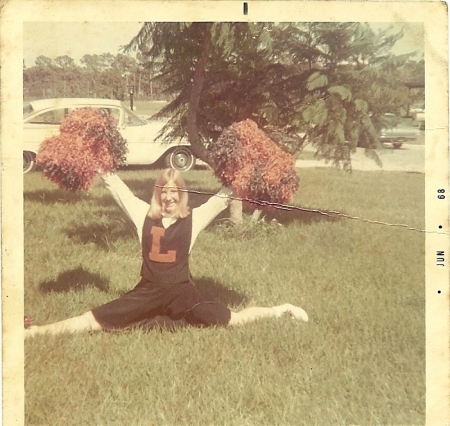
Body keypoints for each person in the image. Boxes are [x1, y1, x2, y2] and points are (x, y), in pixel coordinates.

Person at [25, 169, 308, 337]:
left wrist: (247, 169)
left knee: (230, 319)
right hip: (147, 291)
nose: (169, 197)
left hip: (183, 294)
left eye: (175, 192)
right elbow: (118, 189)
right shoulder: (142, 214)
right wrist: (99, 163)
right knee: (96, 320)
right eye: (164, 192)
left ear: (181, 194)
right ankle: (36, 332)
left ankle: (281, 309)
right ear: (158, 194)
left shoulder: (194, 219)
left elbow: (224, 196)